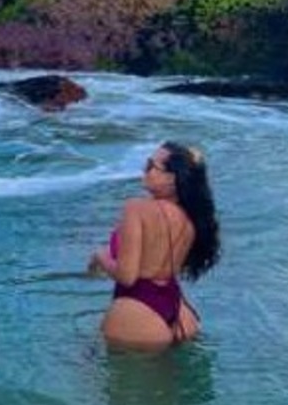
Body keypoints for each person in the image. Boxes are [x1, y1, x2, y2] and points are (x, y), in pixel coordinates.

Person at [88, 141, 221, 350]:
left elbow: (127, 276)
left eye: (151, 166)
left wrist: (100, 256)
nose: (144, 170)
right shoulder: (191, 219)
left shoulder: (136, 209)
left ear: (172, 178)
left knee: (90, 363)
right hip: (178, 309)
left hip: (137, 309)